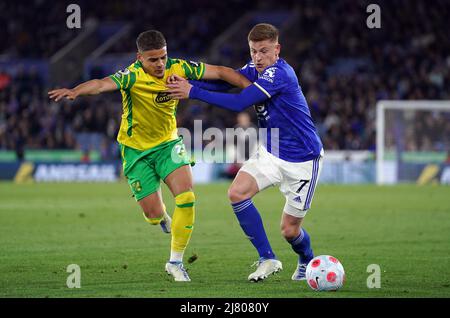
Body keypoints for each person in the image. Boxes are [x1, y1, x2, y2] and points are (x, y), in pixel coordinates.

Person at [48, 30, 250, 282]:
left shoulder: (177, 67)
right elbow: (101, 84)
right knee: (153, 215)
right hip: (136, 151)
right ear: (139, 58)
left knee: (187, 198)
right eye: (153, 59)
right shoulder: (131, 75)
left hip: (168, 144)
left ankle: (175, 262)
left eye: (162, 57)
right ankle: (161, 217)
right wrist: (76, 91)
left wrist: (252, 89)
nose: (159, 64)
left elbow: (220, 72)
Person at [167, 23, 324, 282]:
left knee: (289, 230)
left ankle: (306, 259)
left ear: (277, 49)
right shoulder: (254, 69)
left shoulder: (280, 74)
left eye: (264, 51)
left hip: (303, 159)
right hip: (271, 150)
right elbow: (225, 84)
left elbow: (241, 101)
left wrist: (193, 92)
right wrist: (188, 82)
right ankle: (268, 258)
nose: (257, 58)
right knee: (236, 193)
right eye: (253, 51)